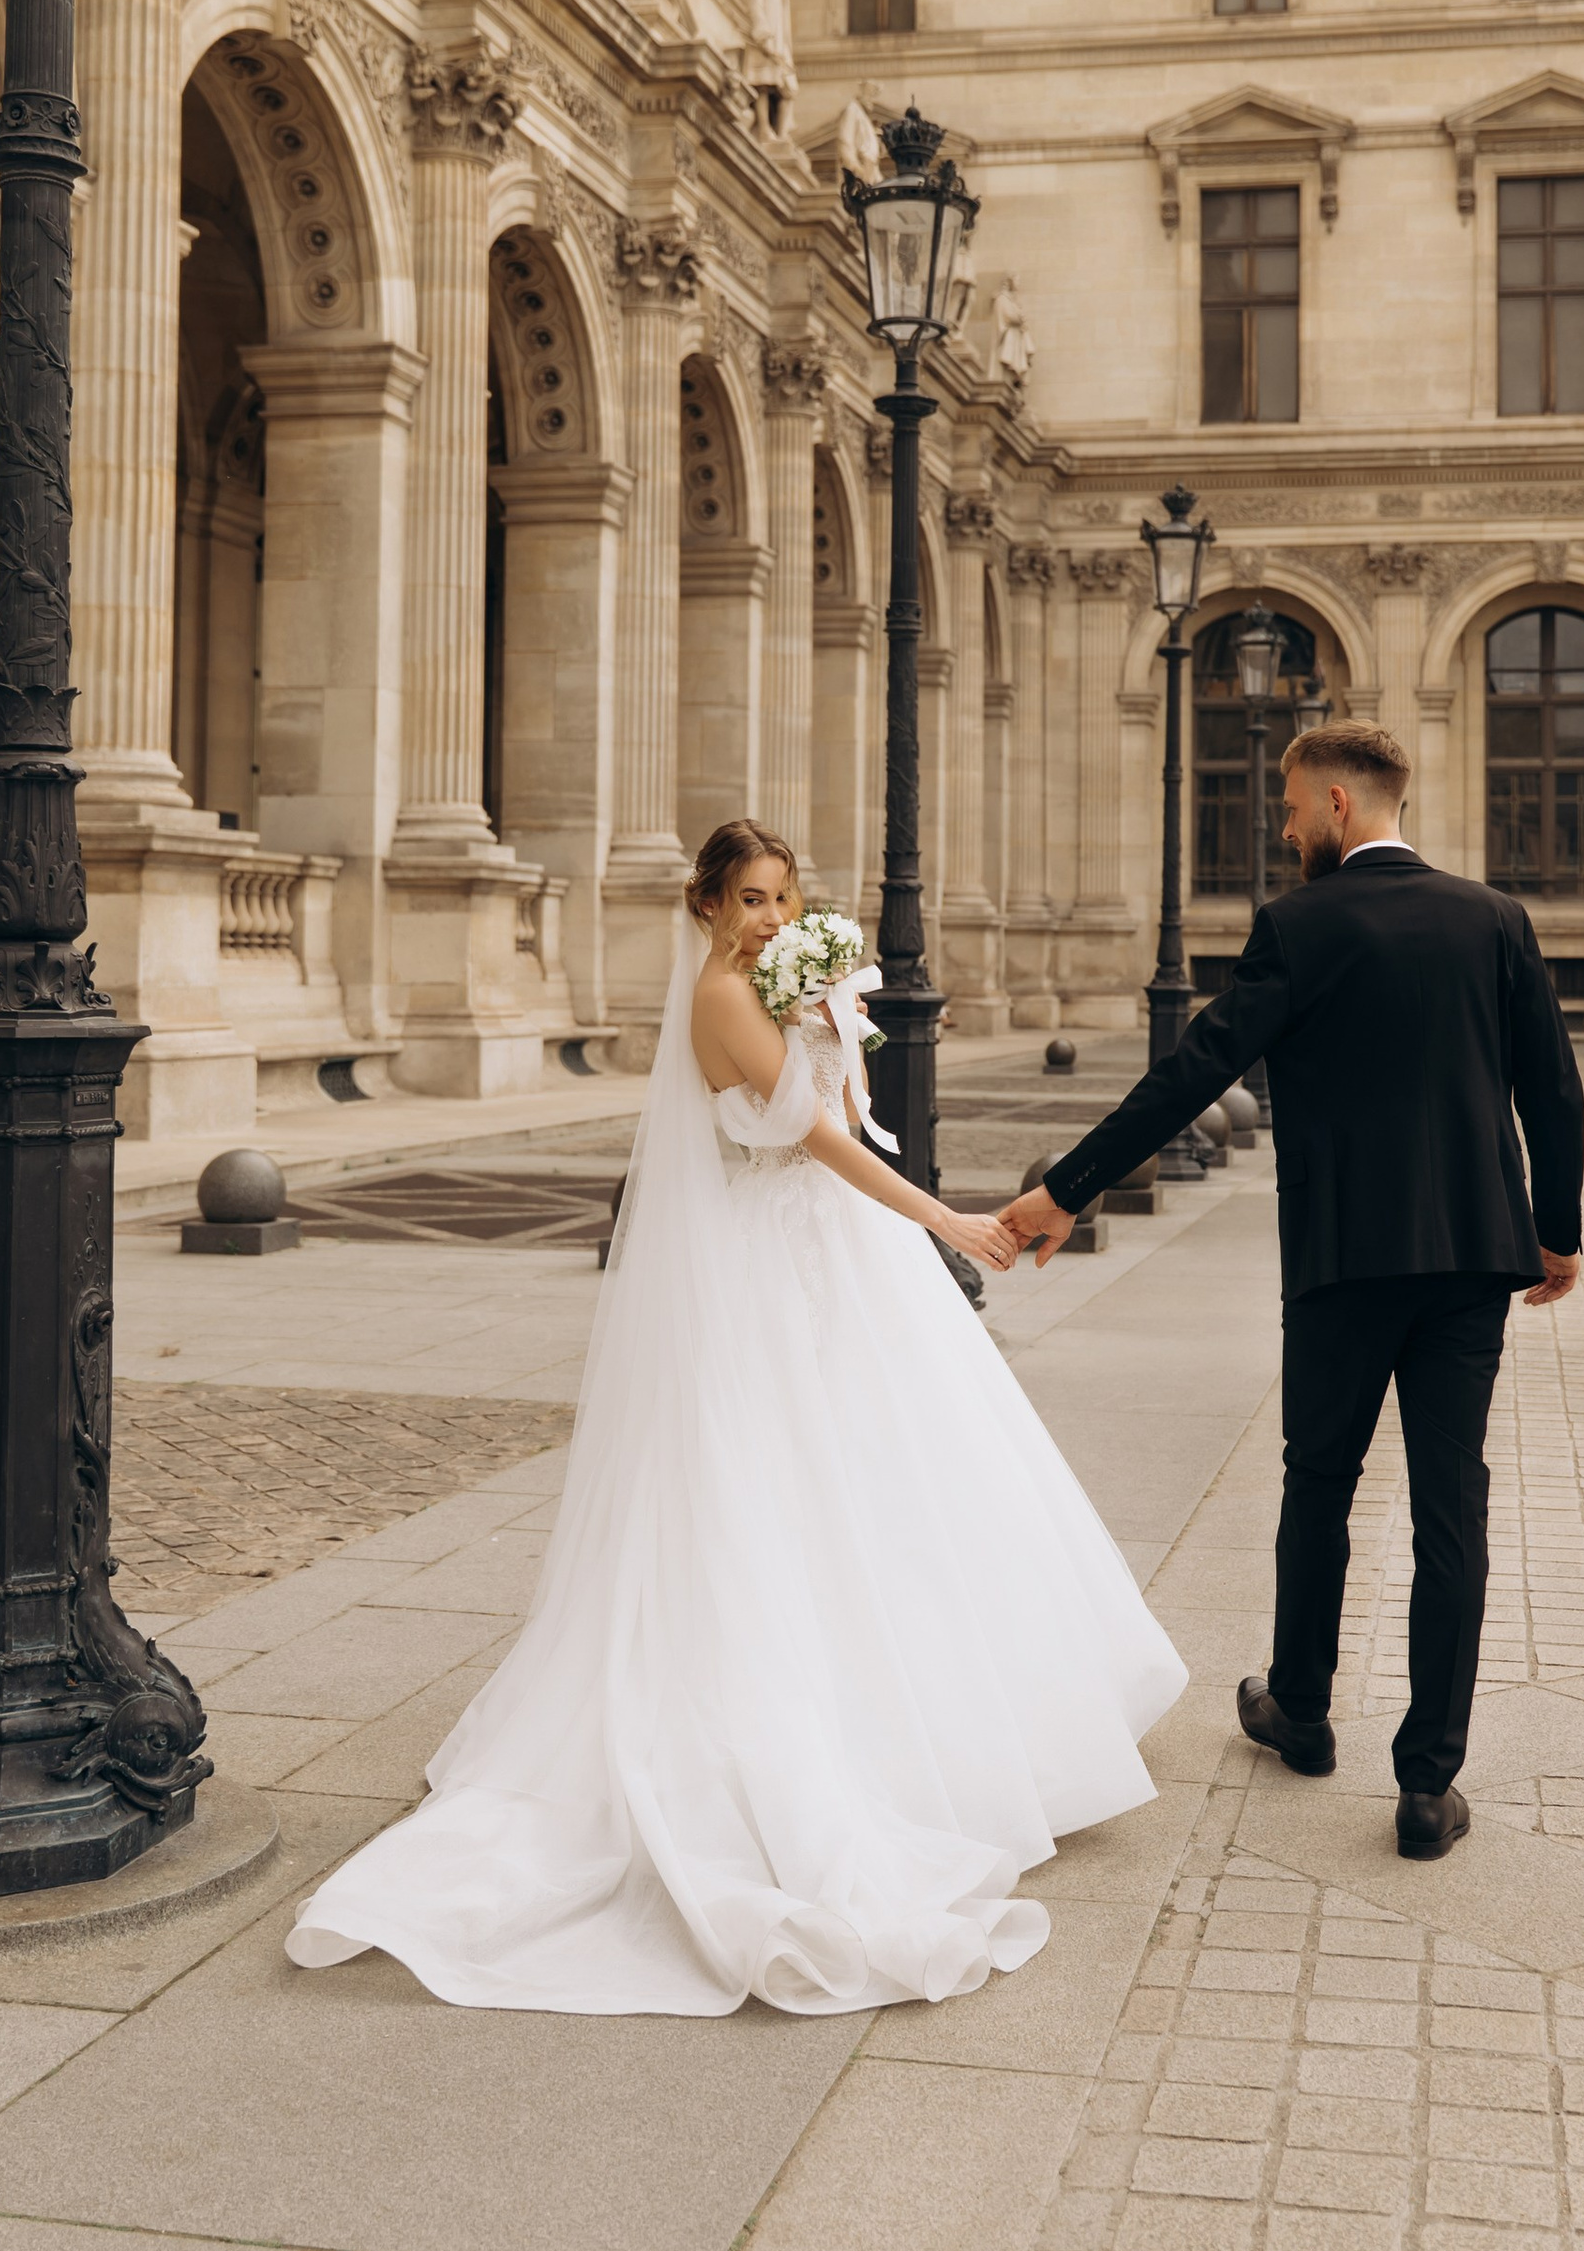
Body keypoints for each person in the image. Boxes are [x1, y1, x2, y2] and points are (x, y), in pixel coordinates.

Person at [287, 818, 1183, 2013]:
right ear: (706, 907)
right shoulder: (719, 999)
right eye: (747, 899)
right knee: (776, 1491)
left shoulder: (779, 989)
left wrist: (832, 1018)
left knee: (897, 1484)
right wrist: (948, 1219)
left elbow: (850, 1103)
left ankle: (959, 1731)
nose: (766, 918)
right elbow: (814, 1144)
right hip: (775, 1268)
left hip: (836, 1266)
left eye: (781, 898)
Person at [1002, 722, 1583, 1860]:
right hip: (1471, 1257)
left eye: (1286, 808)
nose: (1279, 828)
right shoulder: (1493, 919)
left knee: (1318, 1481)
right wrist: (1553, 1232)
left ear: (1333, 803)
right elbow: (1551, 1091)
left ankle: (1302, 1712)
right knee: (1448, 1504)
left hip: (1341, 1258)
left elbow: (1192, 1073)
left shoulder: (1299, 926)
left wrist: (1066, 1190)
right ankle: (1427, 1784)